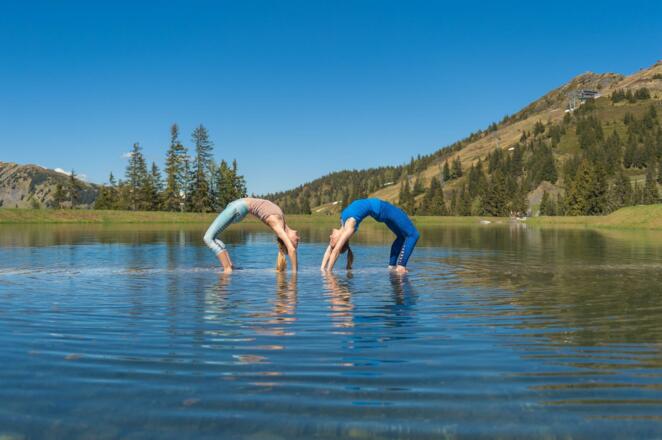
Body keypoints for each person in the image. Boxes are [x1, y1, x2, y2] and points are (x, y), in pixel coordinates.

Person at [321, 198, 419, 273]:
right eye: (331, 240)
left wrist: (322, 268)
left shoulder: (343, 222)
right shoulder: (350, 226)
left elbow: (330, 250)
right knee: (413, 235)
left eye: (330, 240)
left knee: (401, 237)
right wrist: (329, 272)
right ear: (340, 241)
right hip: (384, 209)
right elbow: (336, 251)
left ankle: (392, 267)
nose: (330, 237)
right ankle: (401, 266)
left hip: (381, 211)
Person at [203, 198, 299, 272]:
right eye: (297, 241)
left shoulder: (277, 224)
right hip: (238, 208)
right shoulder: (281, 219)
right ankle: (229, 266)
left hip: (237, 208)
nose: (298, 237)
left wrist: (294, 273)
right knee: (213, 238)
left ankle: (227, 269)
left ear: (287, 240)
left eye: (296, 242)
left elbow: (291, 249)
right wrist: (295, 273)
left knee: (208, 238)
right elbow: (291, 248)